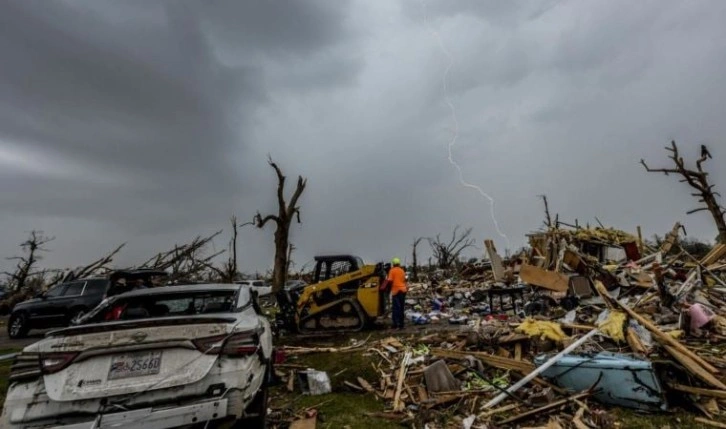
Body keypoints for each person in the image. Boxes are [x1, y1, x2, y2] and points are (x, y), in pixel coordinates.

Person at [386, 257, 408, 329]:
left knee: (396, 308)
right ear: (399, 263)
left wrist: (387, 290)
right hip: (403, 290)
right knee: (401, 308)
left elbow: (390, 281)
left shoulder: (392, 271)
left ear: (393, 264)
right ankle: (401, 324)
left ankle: (396, 324)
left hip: (396, 291)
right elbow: (404, 280)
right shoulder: (402, 270)